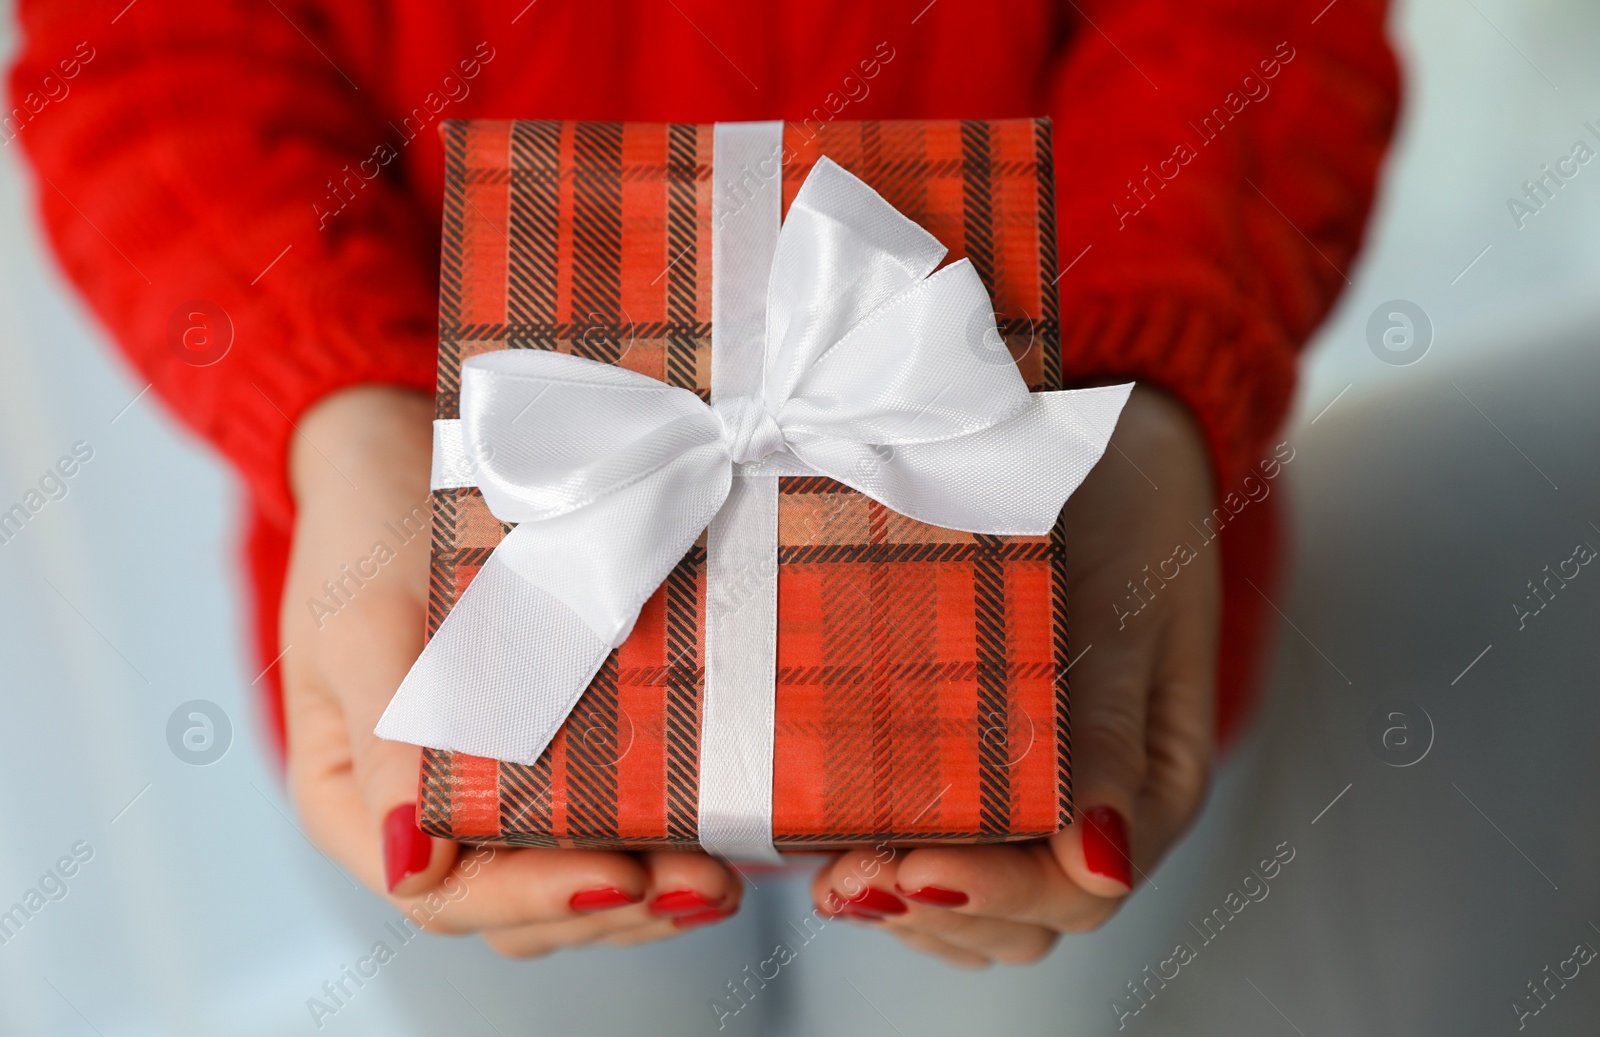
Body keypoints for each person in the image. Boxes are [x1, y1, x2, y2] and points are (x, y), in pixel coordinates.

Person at [10, 0, 1397, 973]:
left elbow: (1255, 23)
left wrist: (1145, 392)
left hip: (1075, 586)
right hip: (437, 628)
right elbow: (149, 50)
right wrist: (341, 410)